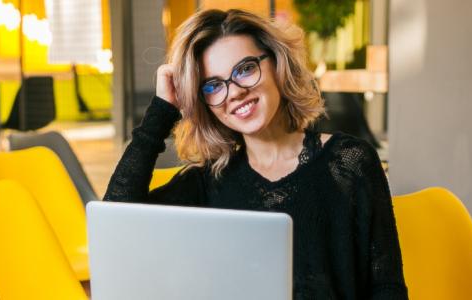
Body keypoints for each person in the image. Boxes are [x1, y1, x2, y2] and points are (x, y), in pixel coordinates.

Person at [103, 9, 407, 299]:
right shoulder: (209, 183)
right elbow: (114, 226)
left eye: (245, 69)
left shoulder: (350, 162)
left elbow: (387, 288)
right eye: (212, 86)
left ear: (276, 63)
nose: (234, 92)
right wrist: (161, 112)